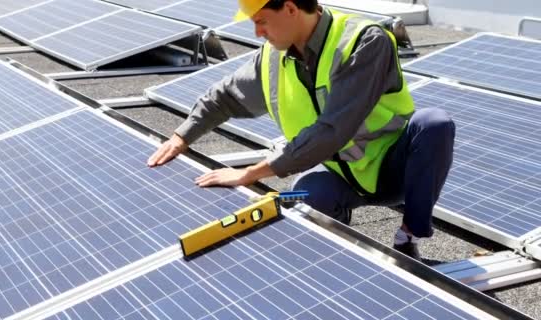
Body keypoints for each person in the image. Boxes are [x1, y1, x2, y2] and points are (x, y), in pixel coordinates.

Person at [148, 0, 455, 261]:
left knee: (434, 125)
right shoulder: (271, 58)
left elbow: (334, 129)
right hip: (339, 175)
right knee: (304, 204)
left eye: (262, 22)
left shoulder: (364, 41)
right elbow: (225, 96)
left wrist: (250, 173)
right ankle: (340, 236)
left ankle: (408, 237)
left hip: (393, 169)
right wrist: (181, 137)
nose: (258, 33)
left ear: (291, 8)